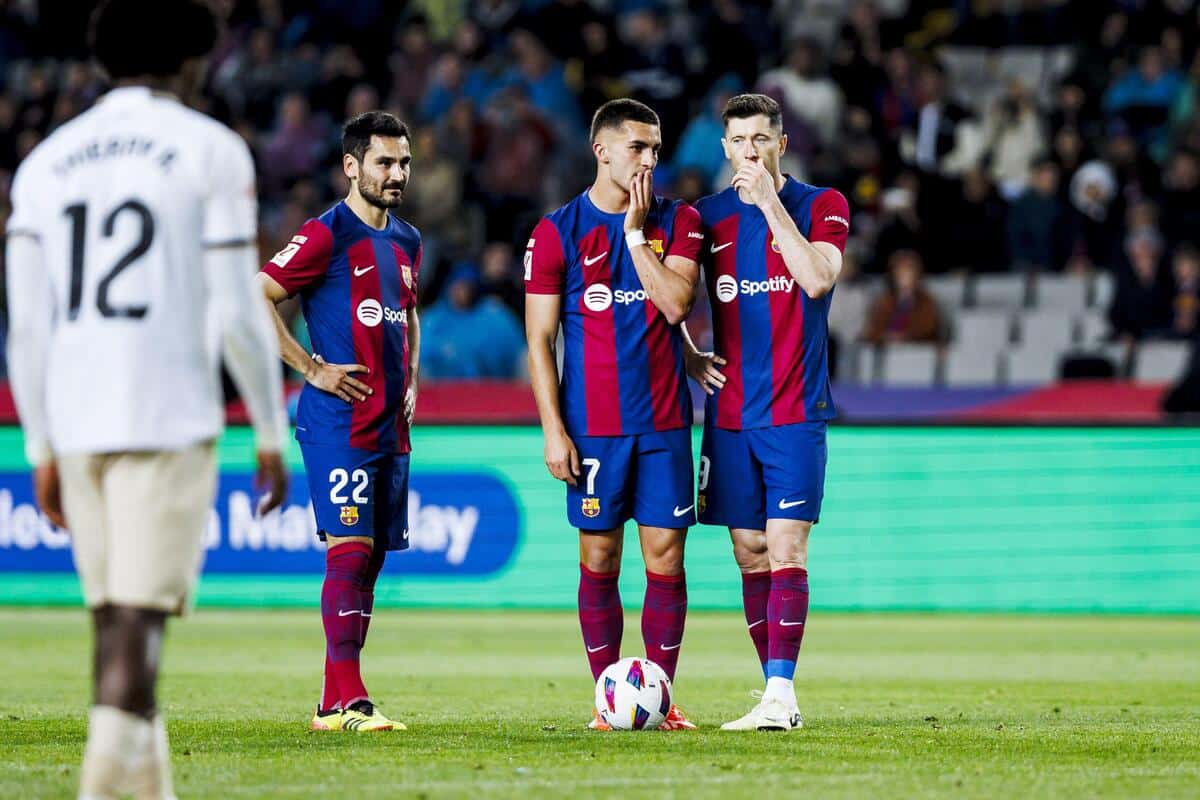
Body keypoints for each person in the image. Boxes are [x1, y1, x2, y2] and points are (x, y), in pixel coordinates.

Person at [4, 1, 289, 797]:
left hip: (76, 417)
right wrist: (271, 428)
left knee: (114, 621)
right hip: (167, 414)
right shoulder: (210, 149)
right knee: (138, 627)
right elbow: (237, 309)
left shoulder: (45, 162)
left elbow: (26, 327)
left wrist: (38, 444)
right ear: (190, 60)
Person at [524, 98, 703, 731]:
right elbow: (540, 339)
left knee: (666, 557)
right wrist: (553, 429)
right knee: (599, 558)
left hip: (663, 422)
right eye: (637, 148)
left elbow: (676, 303)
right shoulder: (558, 232)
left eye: (656, 149)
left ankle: (662, 700)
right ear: (601, 151)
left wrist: (634, 231)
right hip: (593, 427)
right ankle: (608, 702)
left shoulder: (678, 220)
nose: (650, 160)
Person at [683, 93, 850, 731]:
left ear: (781, 143)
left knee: (786, 546)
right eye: (738, 141)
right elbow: (665, 293)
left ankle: (781, 694)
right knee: (750, 551)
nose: (749, 151)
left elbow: (817, 279)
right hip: (729, 413)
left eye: (760, 139)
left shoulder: (822, 204)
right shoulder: (706, 217)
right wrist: (689, 352)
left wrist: (769, 205)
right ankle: (774, 692)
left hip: (795, 409)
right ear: (724, 148)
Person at [258, 111, 420, 733]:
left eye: (403, 163)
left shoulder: (407, 240)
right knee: (349, 554)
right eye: (384, 162)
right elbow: (257, 294)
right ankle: (351, 702)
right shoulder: (325, 234)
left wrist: (412, 380)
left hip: (388, 426)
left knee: (369, 563)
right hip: (337, 424)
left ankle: (331, 701)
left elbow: (408, 313)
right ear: (352, 166)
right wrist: (311, 368)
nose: (396, 173)